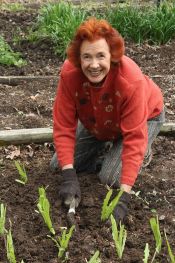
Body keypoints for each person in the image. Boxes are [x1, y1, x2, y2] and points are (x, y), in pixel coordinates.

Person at [50, 17, 165, 223]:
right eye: (87, 57)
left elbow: (135, 137)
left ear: (112, 55)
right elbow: (64, 125)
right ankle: (109, 150)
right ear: (79, 57)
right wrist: (69, 177)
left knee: (111, 178)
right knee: (60, 163)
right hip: (97, 120)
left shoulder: (131, 81)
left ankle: (140, 156)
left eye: (100, 56)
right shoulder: (69, 75)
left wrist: (124, 198)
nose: (94, 65)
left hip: (144, 118)